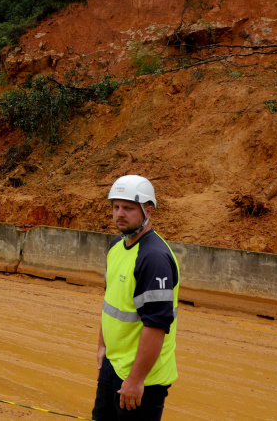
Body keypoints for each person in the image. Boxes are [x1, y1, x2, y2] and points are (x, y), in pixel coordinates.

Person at [93, 175, 179, 421]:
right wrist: (102, 348)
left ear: (148, 210)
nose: (120, 213)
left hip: (142, 378)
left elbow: (157, 325)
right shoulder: (116, 246)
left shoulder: (153, 258)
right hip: (114, 365)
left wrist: (135, 380)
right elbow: (111, 303)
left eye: (128, 208)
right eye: (116, 207)